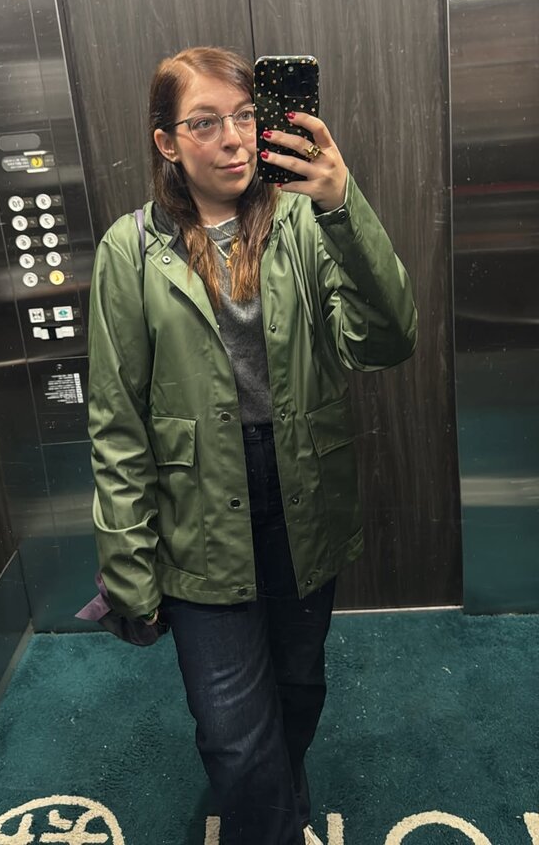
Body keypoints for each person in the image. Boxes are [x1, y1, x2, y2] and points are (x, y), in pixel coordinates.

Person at [87, 46, 418, 845]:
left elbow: (386, 340)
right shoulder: (130, 249)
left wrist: (343, 207)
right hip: (196, 505)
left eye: (245, 116)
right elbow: (117, 418)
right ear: (167, 141)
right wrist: (128, 561)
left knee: (299, 685)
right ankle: (268, 809)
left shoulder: (305, 222)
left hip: (301, 487)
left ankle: (278, 799)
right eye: (205, 122)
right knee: (231, 725)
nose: (233, 139)